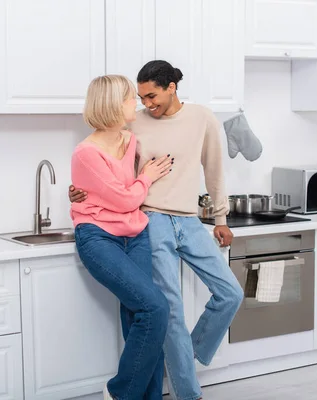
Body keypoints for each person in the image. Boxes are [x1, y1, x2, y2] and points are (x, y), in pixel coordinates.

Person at [70, 61, 244, 400]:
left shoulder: (202, 119)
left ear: (171, 88)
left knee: (230, 293)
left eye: (151, 96)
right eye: (139, 98)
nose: (145, 104)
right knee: (170, 311)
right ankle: (188, 394)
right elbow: (114, 179)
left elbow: (215, 170)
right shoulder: (133, 130)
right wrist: (79, 191)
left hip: (190, 220)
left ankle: (186, 354)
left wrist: (220, 218)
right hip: (150, 219)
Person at [71, 74, 174, 400]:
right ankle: (120, 394)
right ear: (114, 105)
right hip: (99, 238)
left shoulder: (130, 140)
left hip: (136, 233)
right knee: (156, 308)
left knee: (142, 318)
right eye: (131, 98)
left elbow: (122, 197)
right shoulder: (86, 153)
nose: (137, 103)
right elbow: (126, 198)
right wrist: (146, 178)